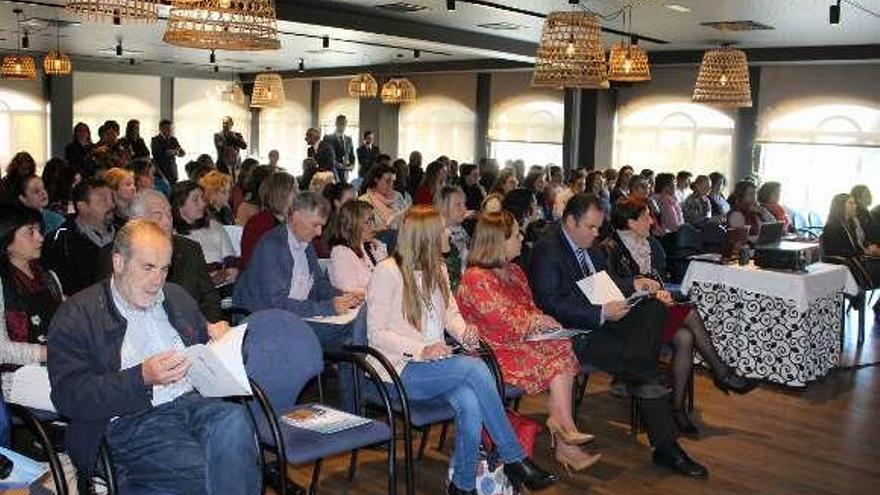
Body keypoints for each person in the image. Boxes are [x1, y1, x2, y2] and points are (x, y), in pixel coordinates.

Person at [47, 219, 260, 494]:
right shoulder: (78, 314)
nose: (157, 280)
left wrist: (224, 341)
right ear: (119, 262)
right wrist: (141, 378)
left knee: (236, 423)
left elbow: (209, 355)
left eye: (164, 269)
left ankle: (142, 485)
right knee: (210, 470)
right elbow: (68, 397)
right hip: (128, 419)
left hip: (192, 402)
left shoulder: (175, 296)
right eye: (148, 267)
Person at [366, 205, 555, 494]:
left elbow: (450, 315)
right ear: (426, 237)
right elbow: (376, 335)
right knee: (475, 368)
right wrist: (422, 349)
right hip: (396, 370)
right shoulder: (387, 271)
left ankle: (462, 485)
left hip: (433, 366)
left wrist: (464, 332)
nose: (449, 235)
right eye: (442, 230)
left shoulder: (438, 268)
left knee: (470, 401)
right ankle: (514, 456)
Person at [528, 193, 708, 478]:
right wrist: (600, 314)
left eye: (599, 227)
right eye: (590, 227)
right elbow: (551, 302)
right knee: (647, 371)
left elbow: (606, 283)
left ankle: (636, 368)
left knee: (654, 306)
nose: (596, 233)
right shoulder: (548, 249)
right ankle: (666, 447)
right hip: (576, 332)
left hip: (606, 318)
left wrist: (635, 285)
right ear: (570, 221)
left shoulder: (589, 245)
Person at [457, 211, 601, 473]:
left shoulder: (515, 271)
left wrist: (542, 319)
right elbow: (502, 319)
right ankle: (565, 435)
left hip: (519, 344)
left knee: (561, 344)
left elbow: (528, 309)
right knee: (558, 352)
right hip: (491, 352)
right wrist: (537, 322)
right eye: (517, 234)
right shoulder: (475, 277)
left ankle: (564, 431)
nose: (522, 238)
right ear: (499, 240)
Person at [599, 196, 758, 433]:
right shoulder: (608, 248)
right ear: (630, 223)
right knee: (690, 316)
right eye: (644, 217)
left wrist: (659, 293)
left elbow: (659, 280)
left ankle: (678, 408)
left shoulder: (651, 245)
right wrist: (645, 289)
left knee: (685, 337)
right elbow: (609, 289)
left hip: (652, 311)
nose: (651, 221)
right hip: (626, 318)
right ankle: (721, 374)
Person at [233, 191, 362, 323]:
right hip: (266, 321)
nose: (319, 232)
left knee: (355, 326)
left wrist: (345, 296)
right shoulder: (272, 246)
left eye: (322, 226)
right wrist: (327, 308)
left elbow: (319, 285)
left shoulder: (306, 244)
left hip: (297, 316)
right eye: (315, 225)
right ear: (296, 218)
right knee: (348, 333)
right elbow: (276, 304)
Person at [109, 190, 225, 323]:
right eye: (158, 216)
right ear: (136, 222)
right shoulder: (118, 254)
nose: (167, 222)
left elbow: (210, 297)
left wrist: (204, 329)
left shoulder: (190, 249)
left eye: (169, 214)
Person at [0, 204, 62, 399]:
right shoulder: (2, 283)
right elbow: (2, 351)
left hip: (57, 362)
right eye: (30, 232)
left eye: (39, 230)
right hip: (16, 377)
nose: (40, 237)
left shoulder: (47, 277)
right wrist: (54, 353)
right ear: (7, 240)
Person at [42, 179, 116, 296]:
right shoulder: (61, 242)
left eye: (111, 199)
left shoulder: (124, 233)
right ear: (83, 207)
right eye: (103, 200)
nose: (111, 205)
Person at [171, 181, 239, 287]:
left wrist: (226, 275)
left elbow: (232, 263)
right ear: (180, 206)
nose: (203, 204)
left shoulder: (214, 226)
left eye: (202, 198)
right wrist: (210, 281)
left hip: (226, 289)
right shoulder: (174, 237)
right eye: (195, 200)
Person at [822, 193, 880, 295]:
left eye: (854, 203)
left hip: (859, 261)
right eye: (851, 203)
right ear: (841, 206)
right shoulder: (832, 227)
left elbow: (857, 244)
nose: (855, 206)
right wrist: (864, 251)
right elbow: (836, 251)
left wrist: (868, 248)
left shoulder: (851, 223)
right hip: (850, 266)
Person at [240, 170, 298, 269]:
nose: (299, 194)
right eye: (295, 190)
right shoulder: (258, 224)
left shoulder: (290, 220)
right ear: (281, 194)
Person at [327, 200, 387, 294]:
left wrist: (380, 250)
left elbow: (388, 276)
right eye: (367, 222)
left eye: (373, 220)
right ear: (352, 225)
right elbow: (348, 290)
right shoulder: (340, 253)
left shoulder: (373, 246)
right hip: (360, 307)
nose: (373, 226)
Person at [437, 185, 470, 293]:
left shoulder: (461, 230)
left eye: (464, 204)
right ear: (443, 207)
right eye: (458, 205)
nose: (464, 209)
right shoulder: (438, 235)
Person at [359, 162, 407, 230]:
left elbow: (408, 217)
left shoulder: (398, 195)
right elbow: (364, 229)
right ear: (376, 179)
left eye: (393, 181)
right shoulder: (364, 200)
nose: (391, 185)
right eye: (387, 181)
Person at [316, 182, 356, 258]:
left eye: (355, 200)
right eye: (349, 201)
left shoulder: (352, 221)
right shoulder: (328, 226)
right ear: (337, 203)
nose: (354, 204)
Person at [322, 115, 355, 182]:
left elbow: (351, 155)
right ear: (336, 124)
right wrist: (339, 165)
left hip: (345, 172)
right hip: (333, 171)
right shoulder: (328, 138)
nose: (342, 126)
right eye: (340, 123)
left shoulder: (349, 139)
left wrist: (352, 165)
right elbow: (327, 156)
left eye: (344, 123)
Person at [151, 119, 185, 184]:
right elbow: (158, 155)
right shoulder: (155, 140)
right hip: (160, 172)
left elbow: (182, 153)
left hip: (172, 171)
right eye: (167, 128)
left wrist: (174, 152)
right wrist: (174, 152)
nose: (169, 130)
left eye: (170, 128)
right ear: (161, 128)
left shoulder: (173, 139)